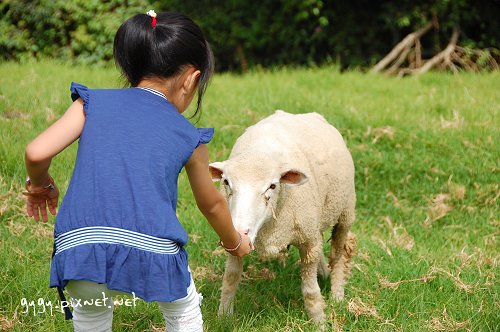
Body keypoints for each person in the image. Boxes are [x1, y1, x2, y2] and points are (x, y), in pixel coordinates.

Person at [23, 10, 253, 332]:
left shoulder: (91, 104)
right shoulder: (189, 136)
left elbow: (35, 152)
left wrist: (41, 184)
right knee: (184, 314)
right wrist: (235, 243)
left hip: (79, 247)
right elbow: (211, 203)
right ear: (191, 80)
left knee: (91, 319)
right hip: (155, 248)